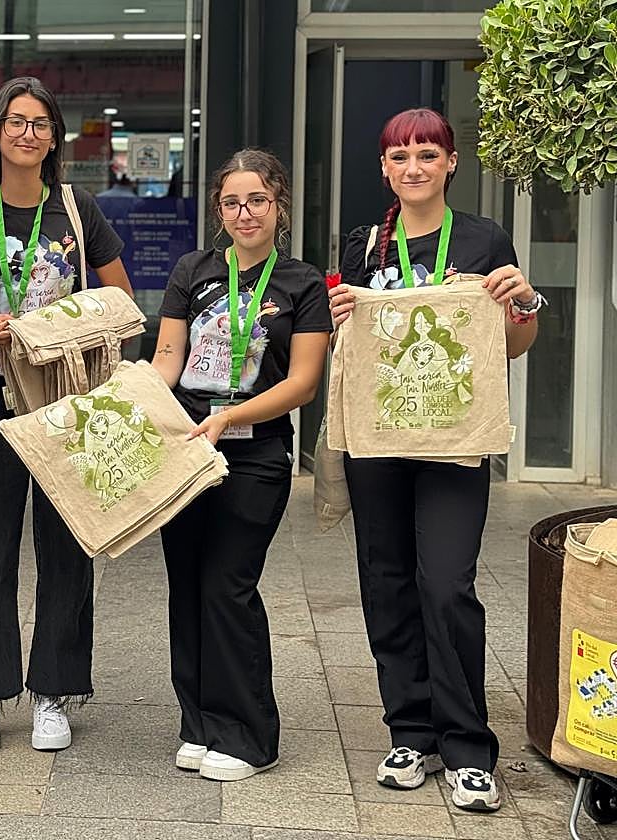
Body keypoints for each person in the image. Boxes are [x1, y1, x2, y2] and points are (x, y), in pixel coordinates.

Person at [327, 108, 541, 813]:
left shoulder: (483, 237)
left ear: (451, 163)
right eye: (399, 157)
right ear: (384, 169)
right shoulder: (363, 246)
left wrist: (524, 302)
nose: (413, 167)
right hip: (380, 441)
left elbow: (512, 344)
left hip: (453, 443)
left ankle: (468, 746)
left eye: (426, 154)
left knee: (447, 584)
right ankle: (409, 730)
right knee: (387, 581)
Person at [0, 77, 131, 755]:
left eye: (39, 124)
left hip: (70, 403)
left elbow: (119, 298)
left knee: (65, 551)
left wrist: (63, 326)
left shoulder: (78, 209)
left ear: (54, 137)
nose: (27, 134)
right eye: (15, 122)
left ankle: (54, 692)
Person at [151, 149, 331, 782]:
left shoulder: (301, 282)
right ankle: (198, 722)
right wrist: (139, 396)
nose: (244, 212)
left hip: (255, 454)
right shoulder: (192, 269)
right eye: (231, 202)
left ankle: (250, 735)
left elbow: (305, 381)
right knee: (187, 584)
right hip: (186, 449)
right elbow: (169, 356)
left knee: (229, 585)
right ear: (219, 209)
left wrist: (232, 415)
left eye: (257, 200)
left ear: (278, 204)